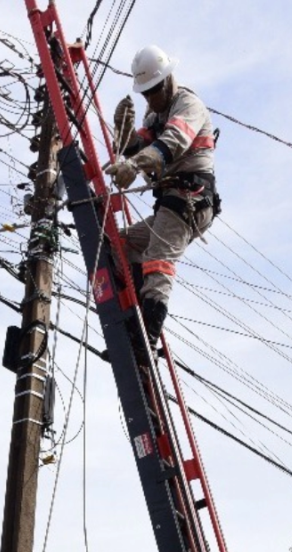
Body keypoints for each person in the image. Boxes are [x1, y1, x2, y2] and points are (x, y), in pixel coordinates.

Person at [105, 44, 219, 348]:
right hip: (170, 203)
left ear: (168, 80)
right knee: (120, 242)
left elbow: (171, 144)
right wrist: (124, 131)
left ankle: (147, 339)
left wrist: (133, 164)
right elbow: (137, 149)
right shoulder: (155, 115)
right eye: (145, 93)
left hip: (189, 199)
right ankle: (136, 311)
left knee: (157, 258)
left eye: (153, 90)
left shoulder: (188, 105)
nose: (150, 98)